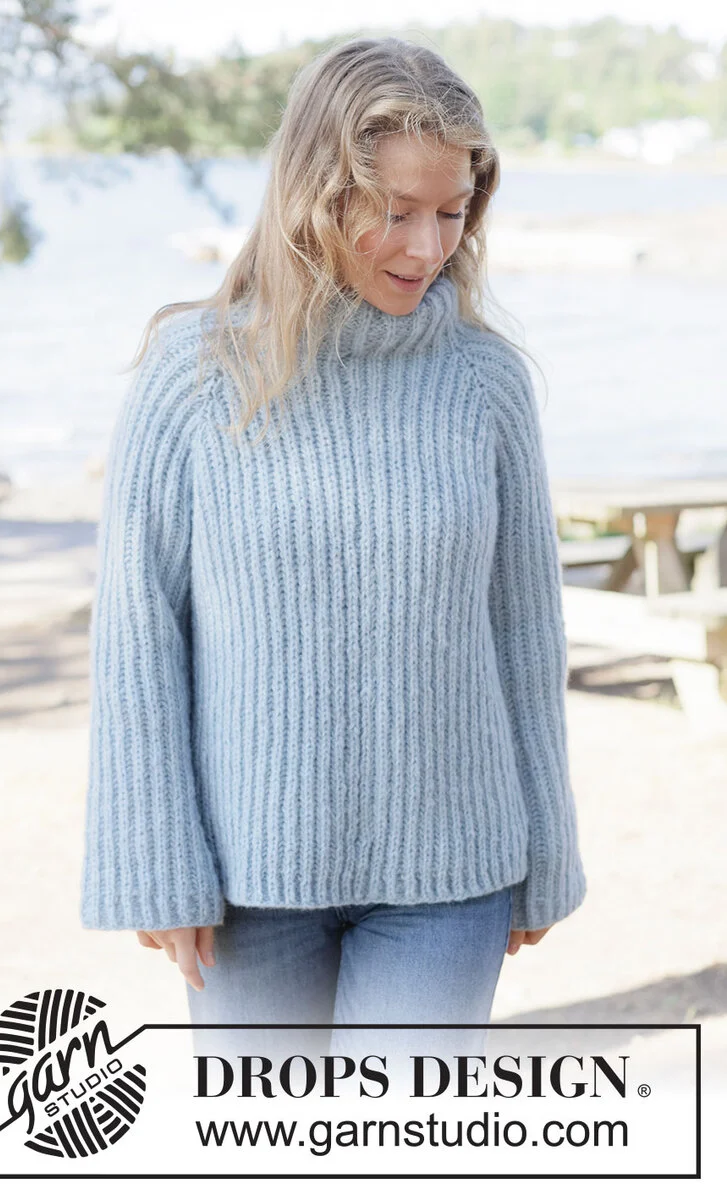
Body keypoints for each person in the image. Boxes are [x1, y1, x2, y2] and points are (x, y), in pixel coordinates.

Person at [79, 36, 586, 1069]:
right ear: (314, 195)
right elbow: (138, 629)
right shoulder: (195, 371)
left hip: (453, 877)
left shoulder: (485, 382)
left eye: (452, 211)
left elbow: (525, 631)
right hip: (244, 881)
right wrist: (155, 860)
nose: (427, 246)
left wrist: (548, 849)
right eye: (395, 211)